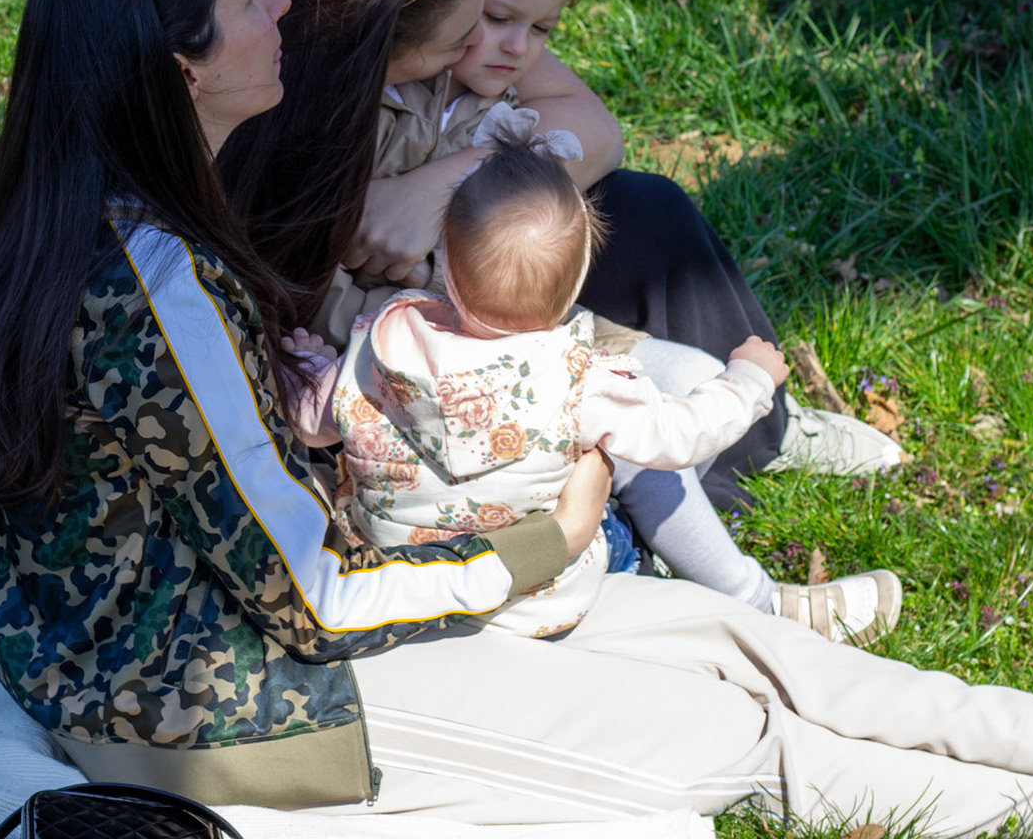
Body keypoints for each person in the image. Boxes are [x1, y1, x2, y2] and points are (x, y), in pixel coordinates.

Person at [0, 0, 1033, 838]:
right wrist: (535, 545)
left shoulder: (43, 188)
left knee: (729, 639)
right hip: (233, 701)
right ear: (181, 65)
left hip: (282, 609)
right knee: (722, 739)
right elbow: (308, 588)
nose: (279, 3)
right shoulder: (161, 282)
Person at [284, 130, 846, 640]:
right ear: (578, 283)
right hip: (541, 597)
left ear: (445, 266)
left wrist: (308, 366)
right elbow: (681, 435)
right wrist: (750, 379)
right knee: (627, 489)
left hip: (407, 585)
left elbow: (310, 425)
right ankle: (685, 577)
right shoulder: (581, 379)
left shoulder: (379, 345)